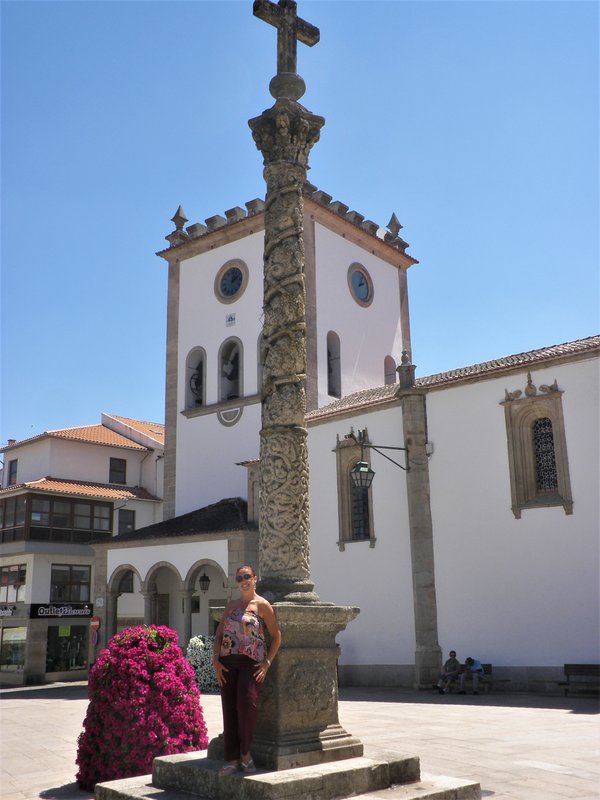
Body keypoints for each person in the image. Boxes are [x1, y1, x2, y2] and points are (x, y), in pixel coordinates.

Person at [213, 564, 282, 775]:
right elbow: (218, 636)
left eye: (246, 576)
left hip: (251, 664)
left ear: (255, 578)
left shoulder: (262, 606)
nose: (243, 580)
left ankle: (245, 754)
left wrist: (267, 663)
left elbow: (277, 636)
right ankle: (232, 760)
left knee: (247, 706)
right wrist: (216, 661)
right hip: (227, 663)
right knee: (229, 709)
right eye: (239, 577)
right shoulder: (231, 606)